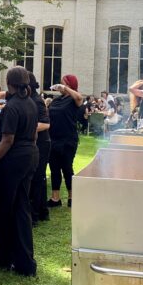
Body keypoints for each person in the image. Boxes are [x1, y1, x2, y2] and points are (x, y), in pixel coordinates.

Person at [0, 66, 39, 276]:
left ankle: (5, 255)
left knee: (7, 209)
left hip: (14, 161)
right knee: (21, 207)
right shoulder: (30, 103)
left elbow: (7, 140)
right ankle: (23, 260)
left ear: (9, 84)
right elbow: (33, 135)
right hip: (29, 155)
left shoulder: (12, 107)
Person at [47, 74, 83, 208]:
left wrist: (66, 89)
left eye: (64, 83)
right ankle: (55, 198)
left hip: (68, 140)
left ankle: (72, 197)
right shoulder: (57, 100)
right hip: (53, 138)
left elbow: (79, 98)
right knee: (54, 168)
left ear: (69, 85)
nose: (61, 86)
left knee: (67, 168)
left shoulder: (74, 99)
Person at [28, 74, 51, 223]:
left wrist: (24, 127)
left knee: (37, 178)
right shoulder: (30, 99)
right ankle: (43, 211)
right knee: (39, 178)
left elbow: (45, 124)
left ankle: (35, 214)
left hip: (42, 143)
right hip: (36, 143)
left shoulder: (36, 101)